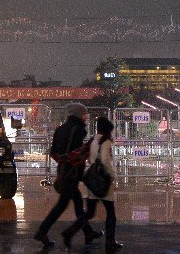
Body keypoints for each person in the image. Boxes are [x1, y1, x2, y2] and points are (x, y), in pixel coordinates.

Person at [33, 103, 103, 248]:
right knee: (63, 206)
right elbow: (76, 153)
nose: (86, 117)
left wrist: (63, 161)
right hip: (72, 173)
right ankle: (42, 231)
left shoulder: (60, 129)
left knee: (75, 205)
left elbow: (54, 152)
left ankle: (88, 232)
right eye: (84, 114)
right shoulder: (78, 130)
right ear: (78, 115)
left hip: (63, 171)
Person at [61, 116, 123, 250]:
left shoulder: (92, 141)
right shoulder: (105, 142)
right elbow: (106, 160)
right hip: (103, 180)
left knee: (89, 212)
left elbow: (89, 159)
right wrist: (113, 176)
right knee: (111, 213)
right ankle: (110, 241)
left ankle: (69, 232)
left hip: (91, 179)